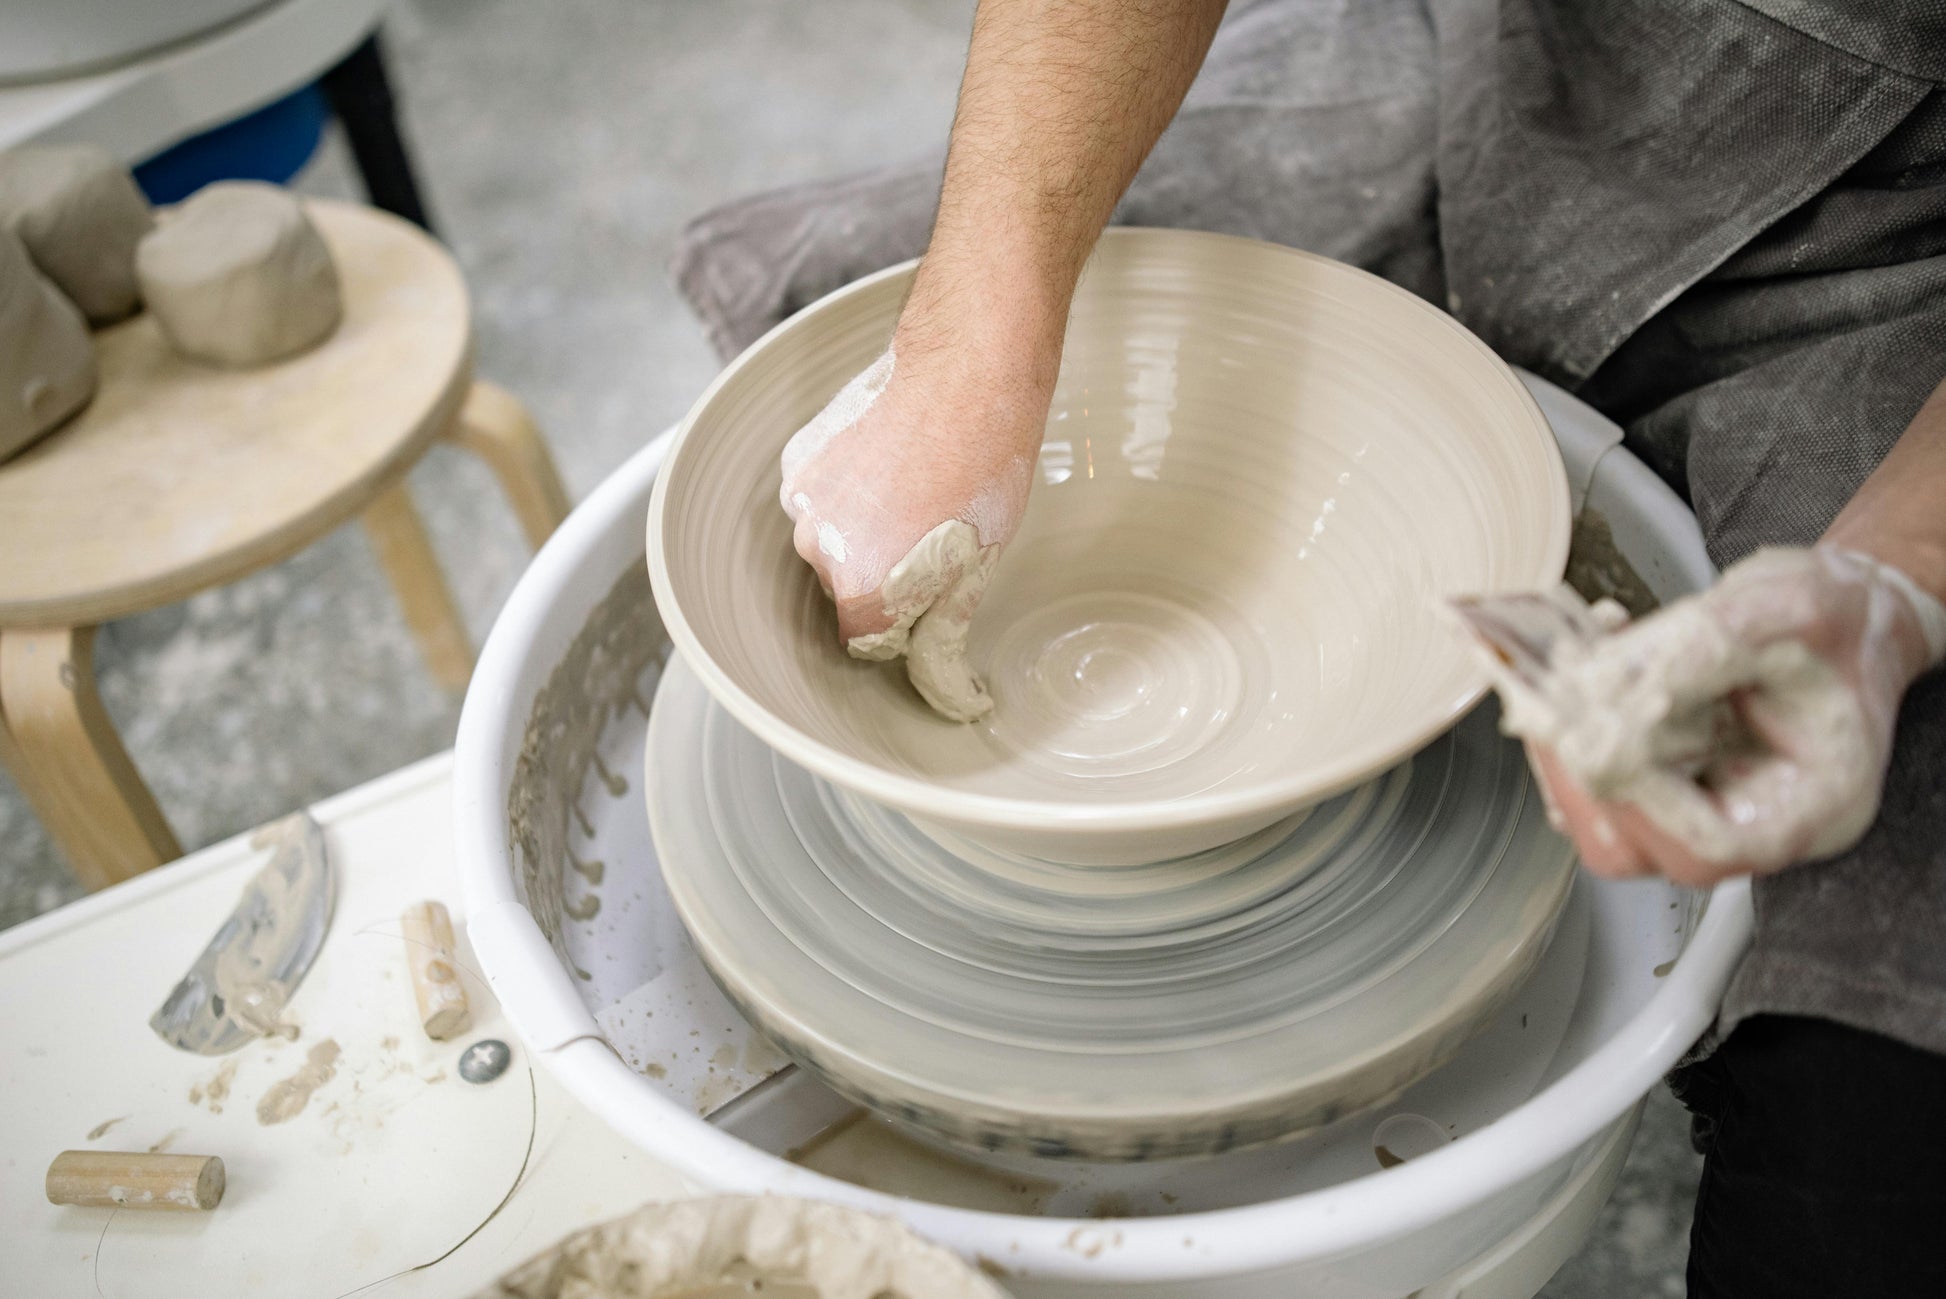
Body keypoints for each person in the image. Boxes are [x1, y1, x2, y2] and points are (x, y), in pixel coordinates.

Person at [680, 2, 1946, 1292]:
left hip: (1903, 286)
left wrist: (1898, 579)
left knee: (1864, 1179)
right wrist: (967, 349)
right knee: (838, 292)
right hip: (1540, 67)